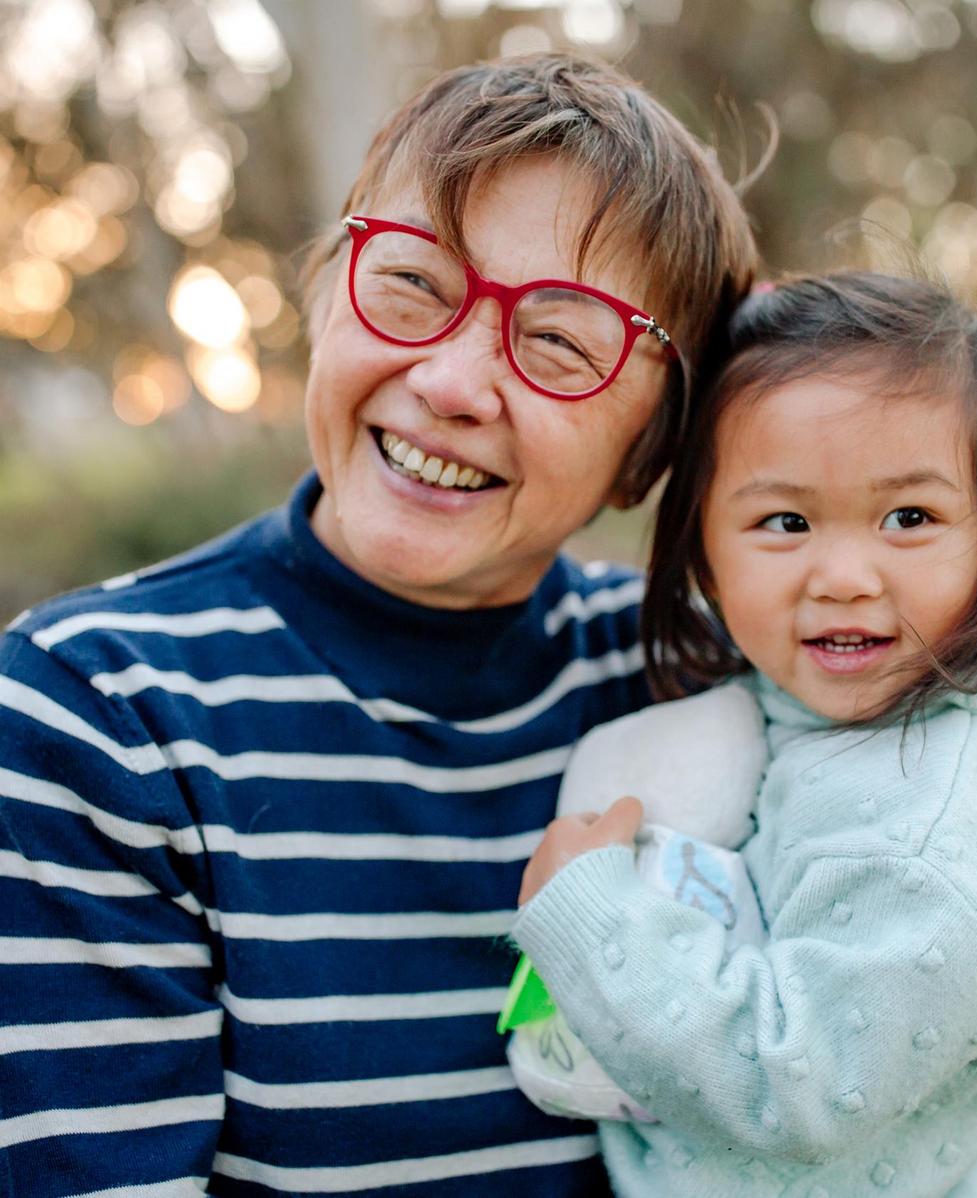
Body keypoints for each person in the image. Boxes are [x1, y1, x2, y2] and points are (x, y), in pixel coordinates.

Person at [0, 54, 757, 1196]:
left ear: (653, 450)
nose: (451, 382)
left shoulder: (703, 683)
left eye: (560, 341)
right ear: (322, 294)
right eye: (410, 282)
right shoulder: (100, 710)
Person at [511, 272, 977, 1197]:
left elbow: (796, 1086)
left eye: (908, 518)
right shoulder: (803, 700)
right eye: (784, 521)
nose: (842, 575)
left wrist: (595, 917)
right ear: (704, 550)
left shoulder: (931, 837)